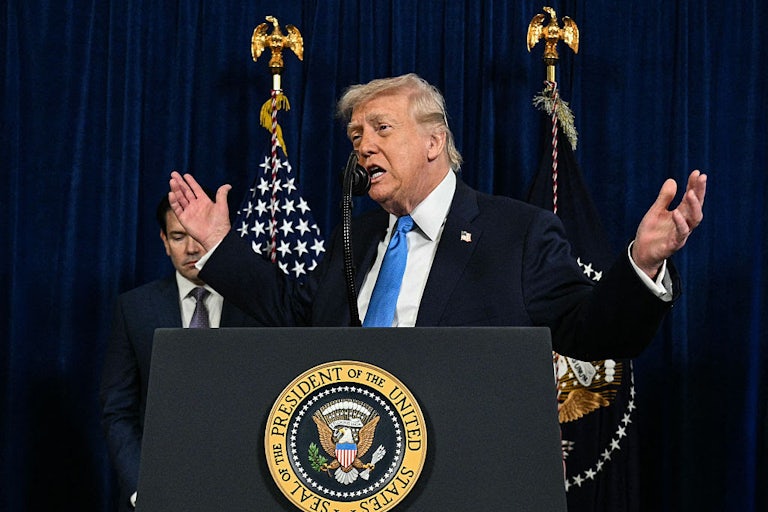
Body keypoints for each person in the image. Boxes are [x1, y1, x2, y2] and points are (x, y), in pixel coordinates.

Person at [167, 73, 706, 360]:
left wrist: (641, 265)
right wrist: (218, 247)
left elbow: (592, 334)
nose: (363, 147)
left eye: (381, 128)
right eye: (355, 136)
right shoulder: (356, 237)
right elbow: (293, 312)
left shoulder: (517, 234)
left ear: (434, 141)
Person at [99, 194, 261, 511]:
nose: (191, 249)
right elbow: (118, 410)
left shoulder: (257, 305)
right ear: (164, 241)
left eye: (198, 235)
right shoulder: (135, 308)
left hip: (241, 491)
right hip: (155, 492)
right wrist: (141, 488)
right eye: (178, 236)